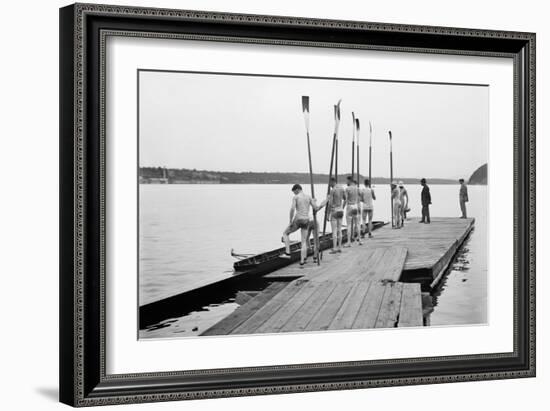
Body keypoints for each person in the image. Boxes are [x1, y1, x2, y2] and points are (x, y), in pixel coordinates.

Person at [281, 184, 317, 266]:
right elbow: (315, 208)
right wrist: (315, 201)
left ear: (297, 189)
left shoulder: (296, 197)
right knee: (303, 241)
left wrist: (290, 221)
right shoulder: (308, 197)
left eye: (294, 192)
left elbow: (292, 209)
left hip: (298, 219)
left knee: (285, 233)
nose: (294, 194)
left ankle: (287, 253)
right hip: (306, 220)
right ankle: (302, 261)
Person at [318, 177, 345, 252]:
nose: (329, 184)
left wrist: (327, 214)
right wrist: (342, 206)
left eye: (329, 183)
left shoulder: (333, 190)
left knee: (334, 231)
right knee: (339, 230)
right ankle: (340, 247)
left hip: (334, 211)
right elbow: (345, 198)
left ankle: (335, 248)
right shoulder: (342, 188)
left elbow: (329, 204)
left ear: (332, 182)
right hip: (340, 210)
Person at [344, 176, 362, 246]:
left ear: (349, 181)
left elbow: (345, 199)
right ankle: (360, 240)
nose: (346, 182)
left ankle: (348, 242)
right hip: (355, 206)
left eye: (347, 181)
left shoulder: (347, 189)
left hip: (350, 206)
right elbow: (360, 196)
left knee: (349, 225)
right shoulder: (357, 188)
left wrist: (342, 207)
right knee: (357, 224)